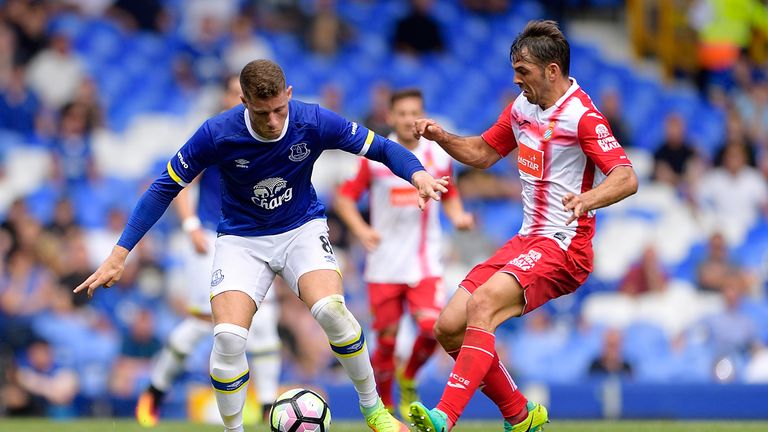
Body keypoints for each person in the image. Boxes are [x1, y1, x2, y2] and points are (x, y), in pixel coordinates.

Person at [75, 59, 448, 432]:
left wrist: (416, 173)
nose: (272, 121)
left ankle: (375, 412)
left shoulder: (313, 121)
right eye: (261, 112)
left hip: (300, 229)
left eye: (278, 110)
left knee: (332, 312)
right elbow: (164, 187)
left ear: (289, 95)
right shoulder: (217, 133)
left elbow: (382, 148)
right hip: (242, 239)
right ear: (243, 101)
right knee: (228, 338)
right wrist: (119, 253)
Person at [407, 20, 638, 432]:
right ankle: (521, 415)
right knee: (449, 328)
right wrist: (441, 136)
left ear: (552, 70)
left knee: (482, 306)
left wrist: (588, 199)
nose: (516, 80)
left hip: (566, 246)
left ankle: (444, 416)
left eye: (523, 71)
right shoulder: (522, 108)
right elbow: (481, 152)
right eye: (515, 70)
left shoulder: (583, 117)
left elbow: (626, 177)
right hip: (527, 239)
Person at [135, 75, 282, 427]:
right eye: (234, 92)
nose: (239, 98)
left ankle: (266, 405)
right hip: (212, 239)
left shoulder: (270, 132)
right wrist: (190, 226)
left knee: (264, 323)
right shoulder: (214, 134)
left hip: (258, 240)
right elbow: (181, 183)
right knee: (204, 322)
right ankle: (155, 390)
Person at [335, 88, 474, 419]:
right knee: (385, 343)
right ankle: (384, 407)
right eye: (402, 113)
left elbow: (450, 192)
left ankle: (408, 375)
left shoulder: (438, 156)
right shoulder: (375, 158)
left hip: (424, 262)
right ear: (390, 117)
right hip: (383, 265)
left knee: (432, 329)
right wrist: (361, 229)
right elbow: (343, 199)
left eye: (415, 112)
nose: (410, 119)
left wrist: (458, 216)